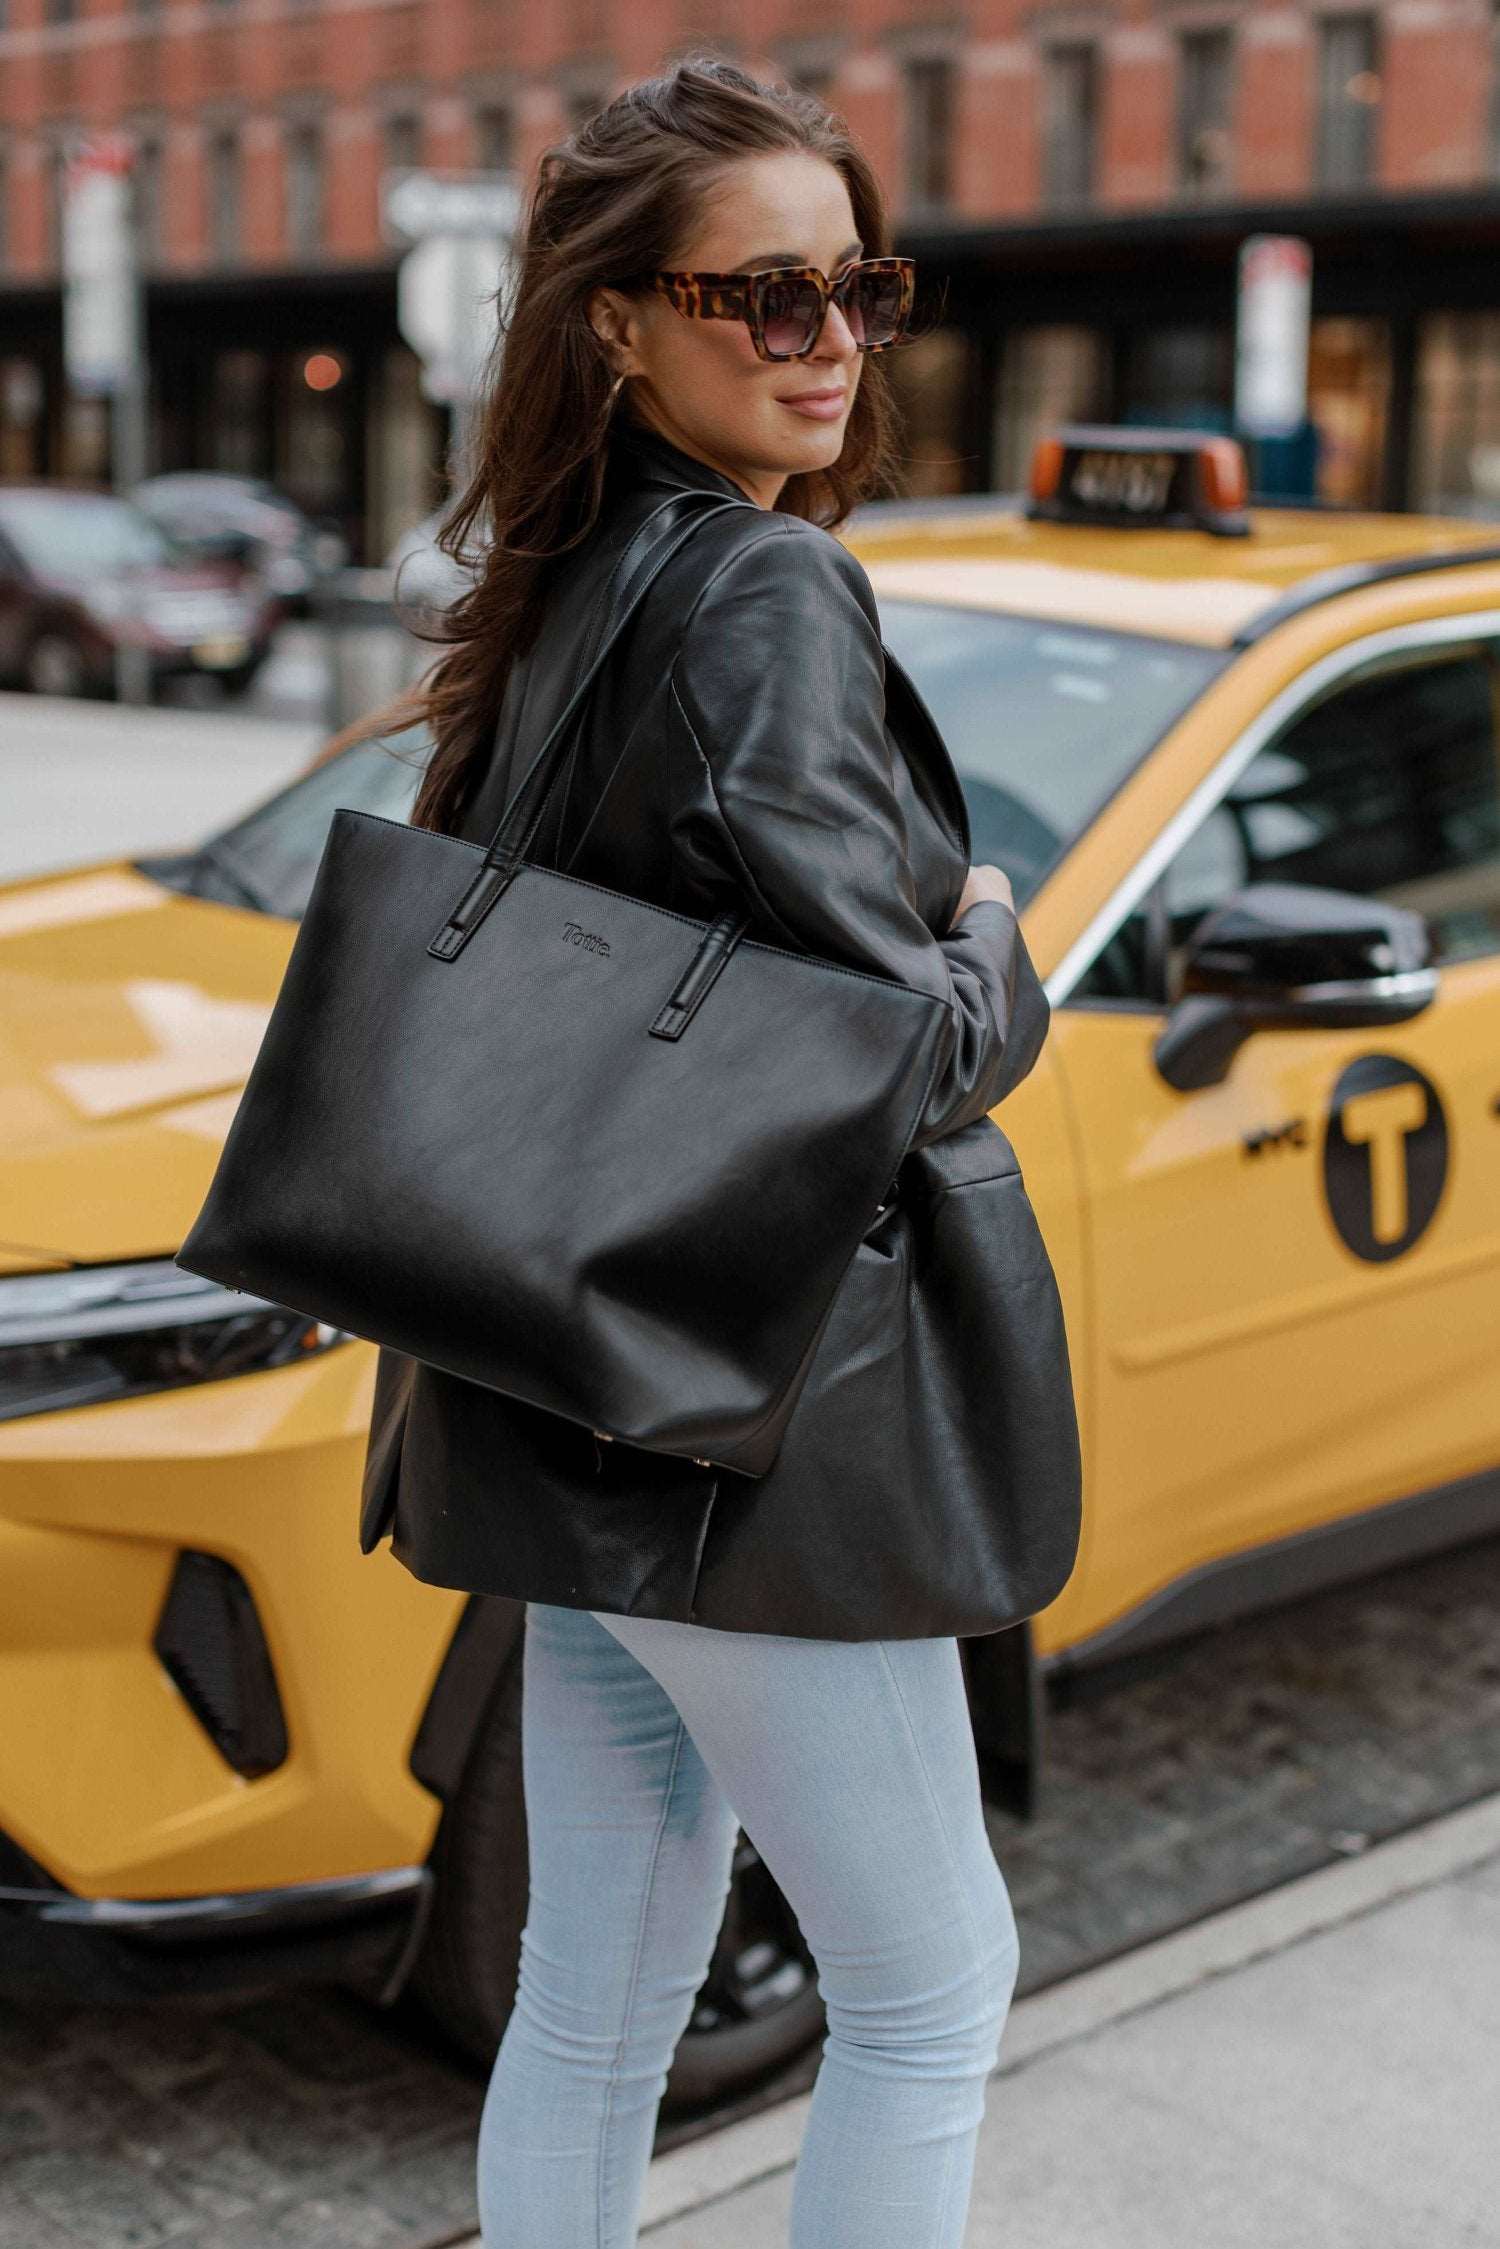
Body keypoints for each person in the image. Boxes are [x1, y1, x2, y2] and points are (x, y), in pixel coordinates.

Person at [347, 51, 1072, 2249]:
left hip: (581, 1391)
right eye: (767, 298)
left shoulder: (568, 585)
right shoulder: (761, 591)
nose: (832, 342)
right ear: (618, 322)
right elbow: (875, 1041)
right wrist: (998, 941)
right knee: (935, 1985)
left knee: (599, 1985)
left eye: (860, 287)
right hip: (750, 1429)